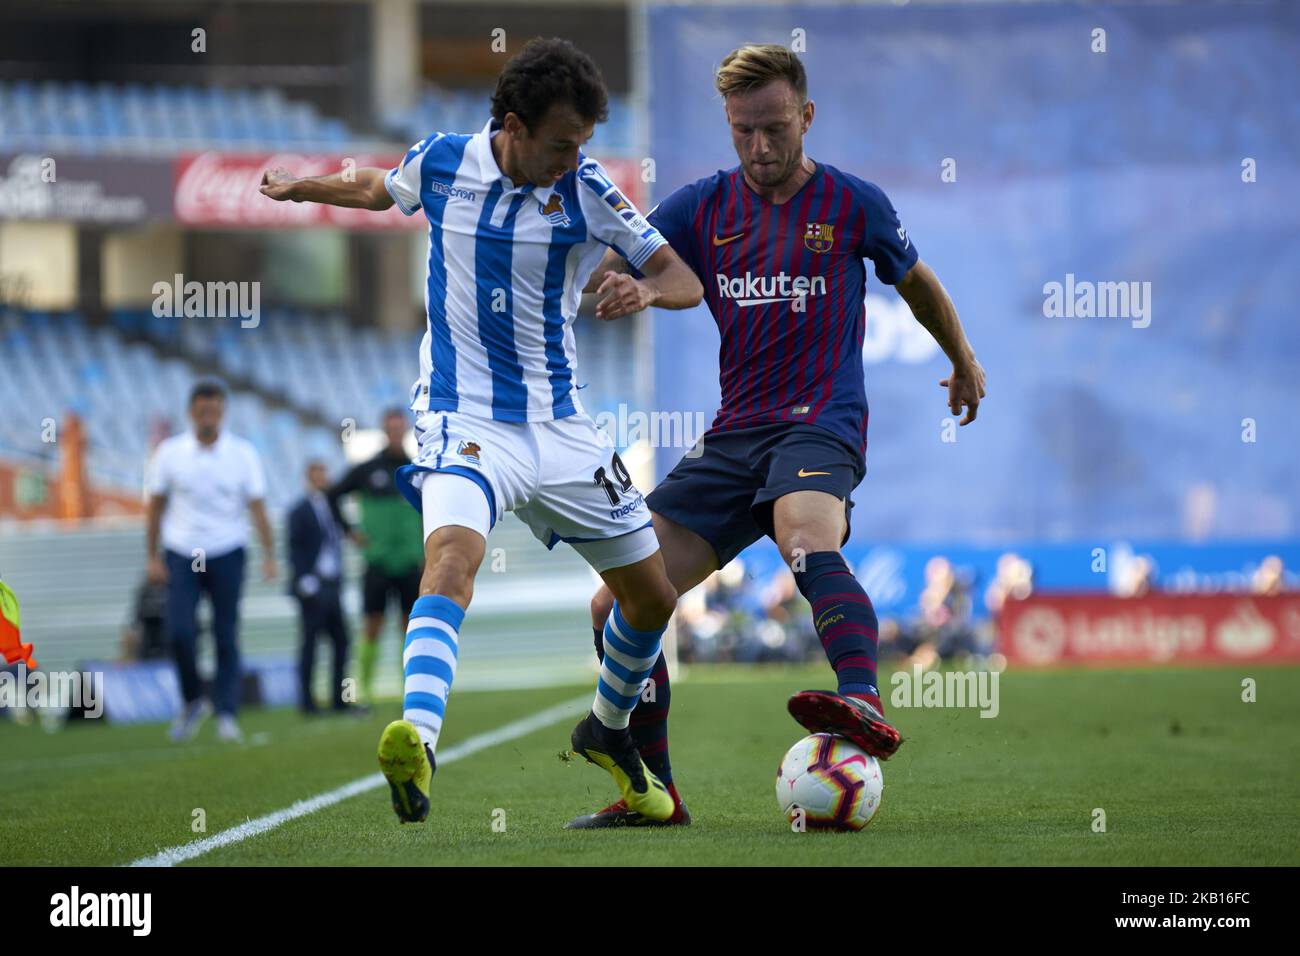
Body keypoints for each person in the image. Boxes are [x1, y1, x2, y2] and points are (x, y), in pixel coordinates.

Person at [259, 37, 703, 825]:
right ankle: (419, 741)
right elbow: (375, 186)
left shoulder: (587, 188)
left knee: (653, 596)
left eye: (583, 146)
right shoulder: (443, 162)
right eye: (562, 144)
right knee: (452, 561)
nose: (573, 160)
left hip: (563, 428)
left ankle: (606, 728)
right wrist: (302, 189)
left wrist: (643, 289)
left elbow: (684, 277)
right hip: (464, 421)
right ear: (513, 126)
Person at [571, 44, 986, 827]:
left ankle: (861, 700)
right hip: (734, 437)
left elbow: (918, 281)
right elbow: (657, 269)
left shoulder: (851, 203)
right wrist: (631, 284)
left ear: (806, 116)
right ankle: (653, 795)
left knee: (803, 535)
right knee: (615, 604)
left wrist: (961, 359)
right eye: (742, 132)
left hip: (820, 423)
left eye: (773, 128)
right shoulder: (701, 207)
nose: (759, 148)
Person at [145, 380, 276, 743]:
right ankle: (191, 701)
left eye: (214, 409)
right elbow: (154, 507)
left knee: (225, 634)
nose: (208, 415)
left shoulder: (243, 453)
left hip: (227, 550)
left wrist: (269, 555)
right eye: (202, 409)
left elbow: (258, 507)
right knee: (180, 633)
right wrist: (151, 556)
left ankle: (227, 713)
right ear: (191, 412)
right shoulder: (169, 453)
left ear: (222, 412)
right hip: (181, 552)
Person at [327, 409, 423, 707]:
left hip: (410, 559)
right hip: (378, 560)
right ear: (384, 430)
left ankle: (413, 690)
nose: (394, 432)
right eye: (390, 428)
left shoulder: (417, 468)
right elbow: (332, 495)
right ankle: (364, 691)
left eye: (399, 428)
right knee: (372, 624)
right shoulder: (368, 469)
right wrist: (349, 531)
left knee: (411, 627)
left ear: (404, 430)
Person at [288, 460, 352, 715]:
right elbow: (295, 547)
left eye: (324, 474)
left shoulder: (333, 507)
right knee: (310, 644)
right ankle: (307, 701)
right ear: (308, 478)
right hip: (313, 585)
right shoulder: (299, 510)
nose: (321, 479)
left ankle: (339, 699)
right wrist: (304, 579)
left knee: (341, 642)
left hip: (332, 584)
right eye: (316, 474)